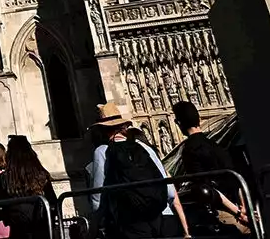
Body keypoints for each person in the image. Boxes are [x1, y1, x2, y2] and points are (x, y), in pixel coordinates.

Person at [88, 104, 190, 239]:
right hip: (162, 217)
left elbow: (98, 199)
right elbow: (169, 190)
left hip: (131, 222)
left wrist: (96, 226)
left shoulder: (102, 152)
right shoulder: (144, 147)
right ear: (123, 126)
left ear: (101, 129)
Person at [171, 101, 248, 234]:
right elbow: (236, 177)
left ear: (178, 123)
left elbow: (205, 188)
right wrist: (244, 207)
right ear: (199, 119)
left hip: (223, 213)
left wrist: (238, 213)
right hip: (241, 210)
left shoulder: (190, 150)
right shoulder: (215, 144)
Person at [0, 136, 59, 239]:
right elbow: (53, 202)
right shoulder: (41, 175)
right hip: (42, 229)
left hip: (18, 230)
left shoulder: (3, 179)